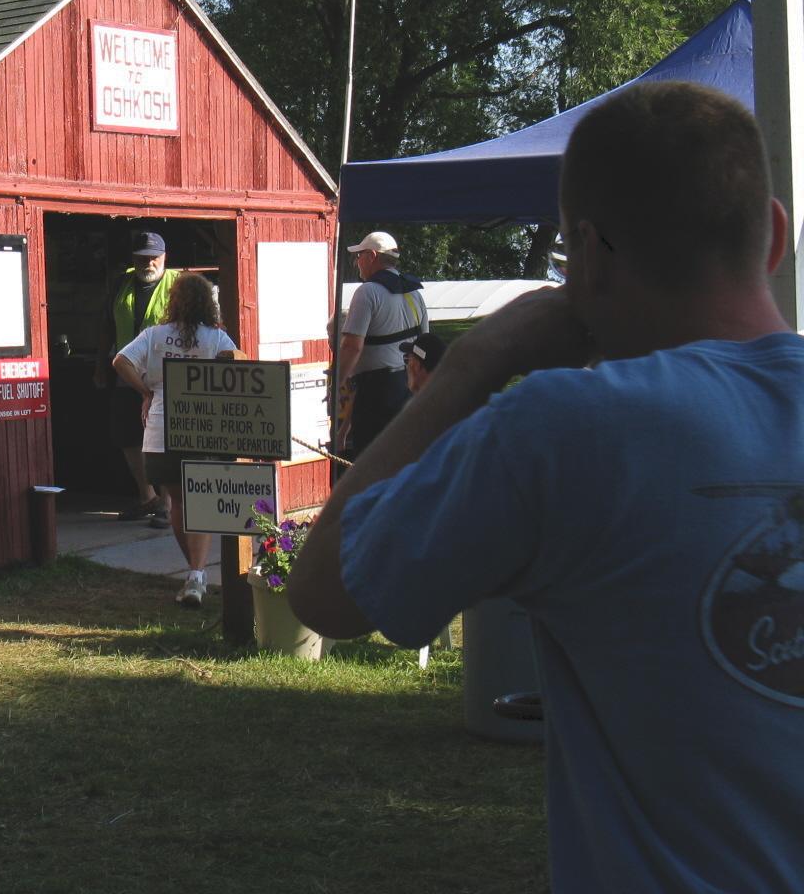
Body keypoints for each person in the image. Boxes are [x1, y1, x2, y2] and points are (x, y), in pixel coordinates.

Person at [290, 82, 804, 891]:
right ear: (774, 234)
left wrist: (472, 367)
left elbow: (326, 594)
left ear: (590, 255)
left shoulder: (566, 428)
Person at [112, 272, 237, 606]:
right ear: (208, 303)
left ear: (174, 301)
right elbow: (236, 371)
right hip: (202, 430)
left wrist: (146, 392)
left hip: (161, 431)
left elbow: (120, 361)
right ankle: (196, 575)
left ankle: (195, 574)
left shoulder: (154, 335)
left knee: (178, 503)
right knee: (199, 503)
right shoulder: (217, 338)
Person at [97, 230, 182, 525]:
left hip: (164, 375)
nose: (149, 263)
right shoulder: (121, 283)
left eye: (154, 257)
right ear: (134, 259)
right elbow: (107, 325)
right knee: (127, 436)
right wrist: (100, 365)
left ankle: (168, 505)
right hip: (127, 371)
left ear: (164, 257)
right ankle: (148, 498)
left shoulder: (178, 285)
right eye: (143, 258)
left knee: (162, 439)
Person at [335, 231, 427, 457]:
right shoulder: (415, 294)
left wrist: (336, 383)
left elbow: (352, 347)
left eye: (359, 257)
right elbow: (425, 343)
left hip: (377, 393)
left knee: (371, 460)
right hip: (410, 386)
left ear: (372, 256)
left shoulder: (367, 292)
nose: (357, 263)